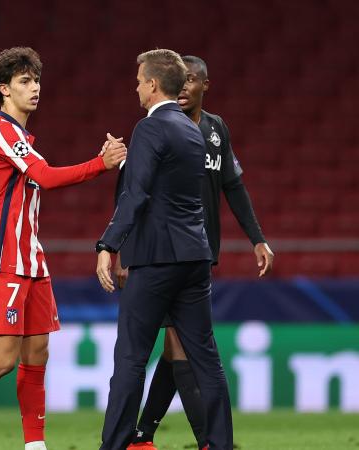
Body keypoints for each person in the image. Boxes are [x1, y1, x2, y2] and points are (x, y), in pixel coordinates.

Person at [0, 47, 126, 450]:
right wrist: (100, 164)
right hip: (3, 258)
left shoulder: (24, 138)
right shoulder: (0, 131)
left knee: (38, 353)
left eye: (36, 80)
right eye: (24, 82)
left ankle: (35, 445)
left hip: (31, 259)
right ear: (4, 89)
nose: (35, 88)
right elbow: (46, 178)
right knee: (3, 359)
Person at [126, 56, 275, 450]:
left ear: (205, 86)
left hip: (199, 252)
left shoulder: (216, 129)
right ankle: (202, 440)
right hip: (164, 253)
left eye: (194, 81)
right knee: (181, 346)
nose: (187, 87)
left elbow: (234, 187)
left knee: (180, 346)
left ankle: (145, 435)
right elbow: (136, 193)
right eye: (183, 80)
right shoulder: (158, 129)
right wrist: (125, 249)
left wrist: (256, 237)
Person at [95, 49, 233, 450]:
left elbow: (137, 195)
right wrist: (128, 162)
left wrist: (108, 244)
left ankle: (117, 444)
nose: (137, 87)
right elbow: (166, 189)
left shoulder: (150, 128)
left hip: (156, 258)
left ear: (153, 84)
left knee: (131, 358)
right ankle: (220, 443)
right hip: (195, 257)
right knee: (206, 357)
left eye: (140, 80)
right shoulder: (193, 130)